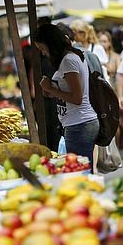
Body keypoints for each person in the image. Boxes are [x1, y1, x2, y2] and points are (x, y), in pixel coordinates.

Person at [33, 24, 98, 165]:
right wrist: (52, 90)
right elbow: (69, 93)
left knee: (81, 171)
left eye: (43, 49)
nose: (43, 53)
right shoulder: (68, 58)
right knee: (81, 169)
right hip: (76, 124)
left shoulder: (68, 61)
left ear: (52, 44)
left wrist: (50, 89)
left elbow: (77, 98)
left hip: (80, 125)